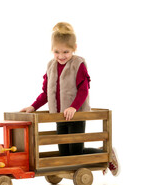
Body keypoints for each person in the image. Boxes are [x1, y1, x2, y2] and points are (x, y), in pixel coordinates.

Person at [20, 22, 119, 176]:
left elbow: (83, 89)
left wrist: (73, 107)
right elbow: (47, 93)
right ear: (52, 50)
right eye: (56, 52)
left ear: (74, 48)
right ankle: (99, 152)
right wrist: (33, 107)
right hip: (60, 116)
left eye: (66, 51)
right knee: (64, 153)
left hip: (76, 115)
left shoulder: (77, 64)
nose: (61, 56)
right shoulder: (51, 66)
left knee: (76, 152)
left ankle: (105, 154)